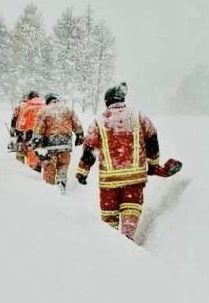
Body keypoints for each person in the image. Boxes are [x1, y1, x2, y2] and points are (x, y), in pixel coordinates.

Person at [75, 82, 181, 240]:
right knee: (130, 213)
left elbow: (89, 149)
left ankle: (109, 246)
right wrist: (153, 164)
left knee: (108, 221)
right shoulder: (139, 116)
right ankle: (127, 240)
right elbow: (152, 140)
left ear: (107, 101)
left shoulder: (99, 121)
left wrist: (82, 171)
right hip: (134, 179)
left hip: (109, 183)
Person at [31, 93, 84, 192]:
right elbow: (77, 124)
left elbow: (38, 130)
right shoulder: (67, 109)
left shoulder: (44, 111)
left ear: (47, 101)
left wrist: (36, 143)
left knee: (49, 168)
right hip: (65, 144)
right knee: (63, 165)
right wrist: (79, 135)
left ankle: (50, 190)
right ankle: (61, 182)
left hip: (50, 146)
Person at [14, 90, 46, 171]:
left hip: (29, 132)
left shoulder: (25, 106)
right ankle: (39, 165)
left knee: (28, 149)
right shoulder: (45, 107)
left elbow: (20, 123)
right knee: (40, 150)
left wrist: (18, 132)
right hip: (43, 132)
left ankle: (24, 168)